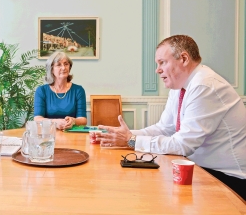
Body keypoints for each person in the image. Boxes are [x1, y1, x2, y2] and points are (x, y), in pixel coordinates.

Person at [97, 35, 246, 200]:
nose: (157, 70)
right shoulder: (179, 87)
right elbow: (164, 128)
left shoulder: (204, 85)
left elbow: (183, 145)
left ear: (183, 58)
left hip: (229, 179)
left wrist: (131, 140)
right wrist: (122, 135)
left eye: (162, 62)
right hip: (202, 169)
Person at [34, 51, 87, 130]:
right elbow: (37, 119)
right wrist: (55, 123)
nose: (63, 67)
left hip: (72, 135)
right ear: (51, 69)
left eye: (66, 64)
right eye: (59, 65)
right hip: (48, 135)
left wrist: (73, 121)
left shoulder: (78, 90)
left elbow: (83, 120)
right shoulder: (41, 91)